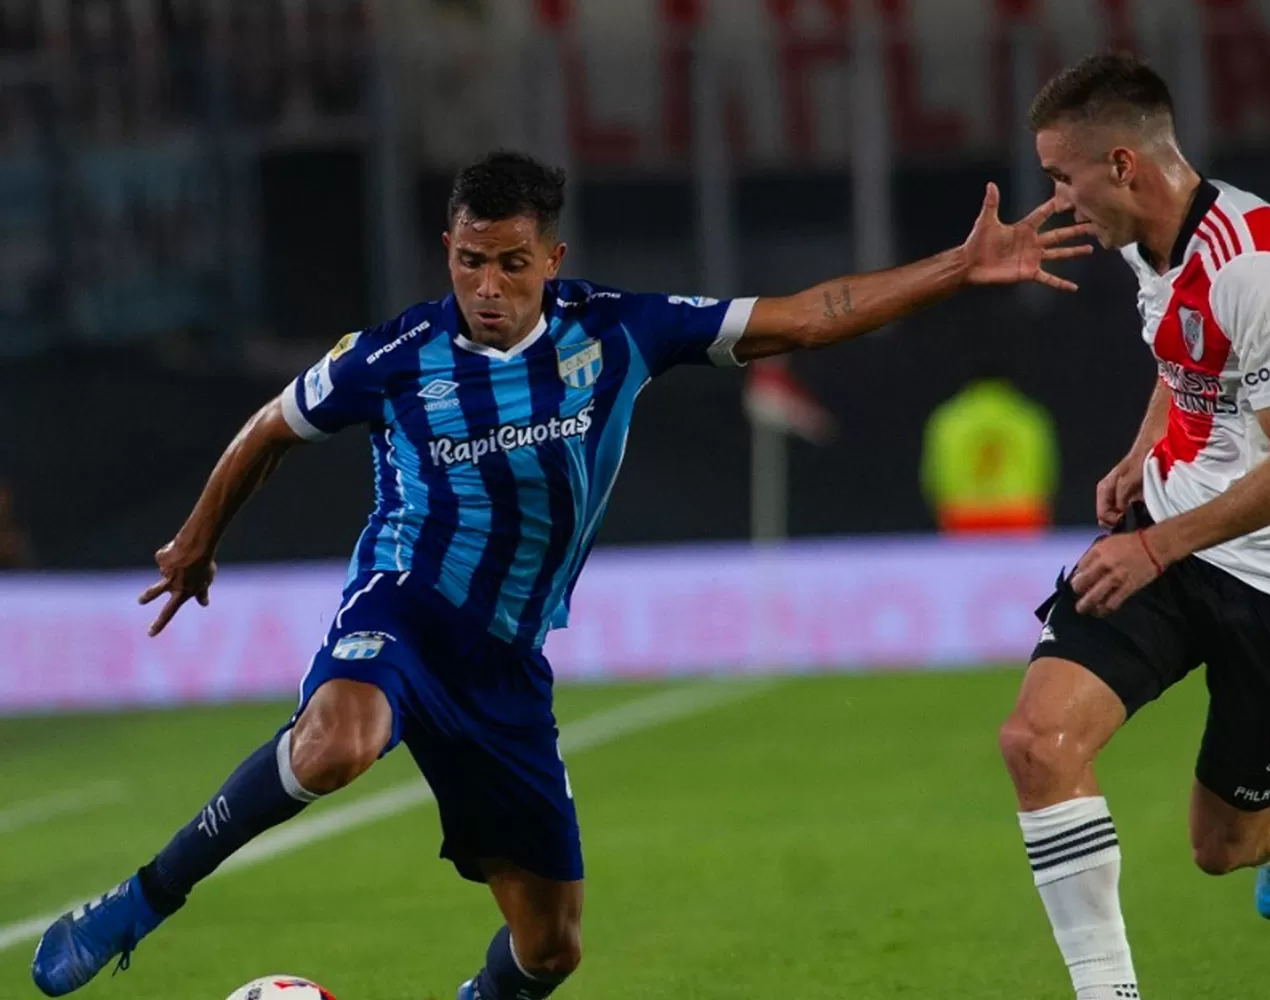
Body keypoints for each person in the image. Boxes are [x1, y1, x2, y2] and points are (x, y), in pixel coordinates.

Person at [31, 151, 1090, 999]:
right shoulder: (394, 355)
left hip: (506, 668)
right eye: (467, 262)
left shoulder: (619, 331)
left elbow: (811, 313)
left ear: (553, 257)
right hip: (403, 611)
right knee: (337, 739)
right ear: (447, 250)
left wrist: (957, 266)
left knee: (551, 949)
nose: (485, 287)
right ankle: (141, 900)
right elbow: (273, 424)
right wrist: (197, 536)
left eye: (510, 264)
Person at [997, 52, 1270, 1000]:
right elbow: (1186, 357)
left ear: (1121, 165)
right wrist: (1142, 453)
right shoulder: (1145, 245)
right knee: (1038, 743)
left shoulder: (1251, 266)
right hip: (1170, 532)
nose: (1058, 198)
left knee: (1224, 845)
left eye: (1062, 176)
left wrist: (1156, 543)